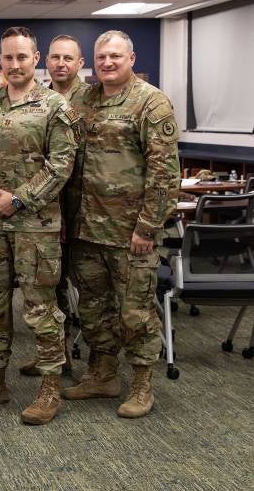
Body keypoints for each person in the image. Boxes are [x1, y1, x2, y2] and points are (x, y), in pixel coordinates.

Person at [0, 26, 79, 426]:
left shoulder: (54, 106)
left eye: (22, 57)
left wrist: (20, 198)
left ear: (36, 59)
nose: (14, 64)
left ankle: (49, 388)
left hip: (36, 227)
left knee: (41, 309)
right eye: (8, 57)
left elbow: (61, 164)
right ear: (0, 60)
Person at [62, 30, 180, 418]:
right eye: (101, 57)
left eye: (115, 56)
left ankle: (142, 383)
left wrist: (148, 227)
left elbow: (164, 174)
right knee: (94, 309)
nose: (107, 63)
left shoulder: (151, 102)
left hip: (131, 233)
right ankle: (102, 374)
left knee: (136, 312)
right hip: (86, 229)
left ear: (131, 57)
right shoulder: (84, 100)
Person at [19, 34, 89, 378]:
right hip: (45, 210)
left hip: (85, 207)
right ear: (44, 60)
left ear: (80, 63)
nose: (60, 63)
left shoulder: (90, 98)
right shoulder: (35, 97)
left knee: (89, 290)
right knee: (50, 285)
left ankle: (100, 369)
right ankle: (58, 355)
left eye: (68, 58)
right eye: (55, 57)